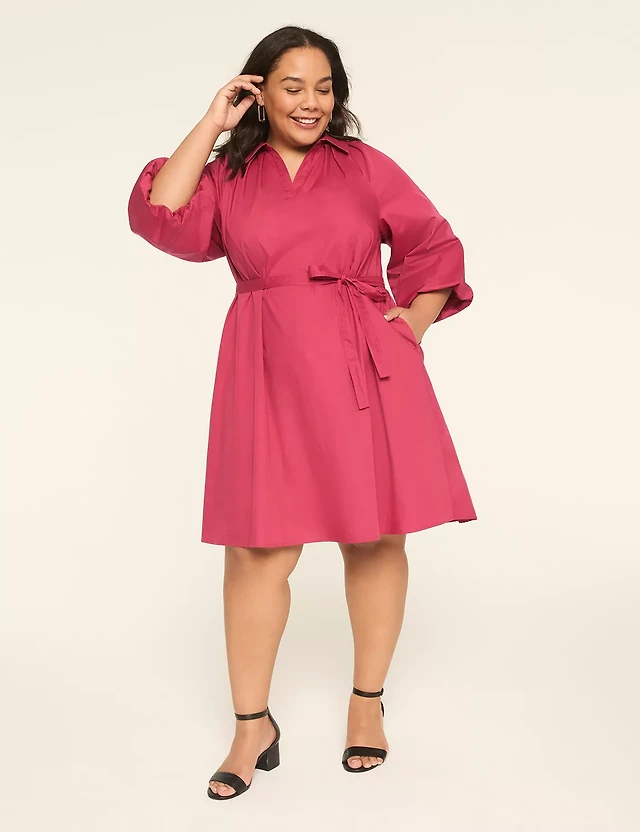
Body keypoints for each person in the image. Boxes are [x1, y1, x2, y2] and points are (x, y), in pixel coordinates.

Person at [128, 25, 477, 800]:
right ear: (258, 91)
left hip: (364, 365)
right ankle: (251, 724)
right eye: (292, 87)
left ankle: (366, 704)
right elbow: (158, 212)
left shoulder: (363, 166)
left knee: (376, 535)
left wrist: (410, 329)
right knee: (257, 548)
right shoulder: (230, 173)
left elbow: (433, 245)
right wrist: (212, 122)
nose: (311, 102)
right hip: (266, 367)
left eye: (324, 88)